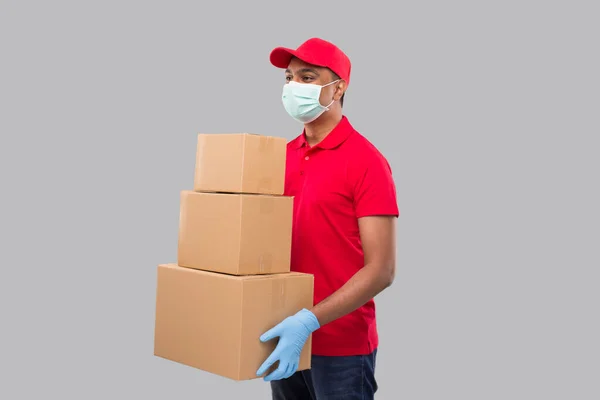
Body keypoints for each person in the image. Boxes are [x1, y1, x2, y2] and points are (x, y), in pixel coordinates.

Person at [256, 37, 399, 400]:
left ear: (339, 87)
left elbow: (381, 269)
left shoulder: (367, 161)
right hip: (283, 335)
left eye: (307, 77)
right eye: (289, 78)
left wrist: (309, 321)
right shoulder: (280, 157)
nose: (293, 87)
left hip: (342, 349)